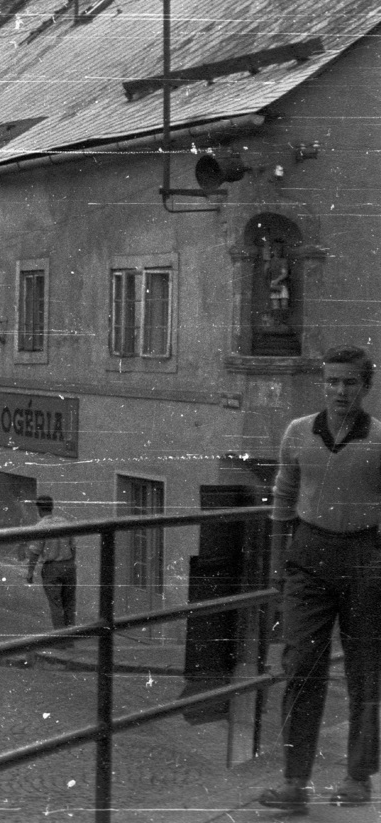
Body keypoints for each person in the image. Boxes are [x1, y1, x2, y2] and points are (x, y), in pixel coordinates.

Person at [258, 345, 381, 812]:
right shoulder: (297, 433)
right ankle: (294, 784)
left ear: (365, 387)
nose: (339, 391)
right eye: (332, 381)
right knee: (300, 668)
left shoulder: (379, 440)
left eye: (350, 382)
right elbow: (283, 498)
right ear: (322, 385)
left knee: (366, 675)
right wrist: (277, 569)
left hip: (365, 562)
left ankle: (357, 777)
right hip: (307, 559)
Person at [24, 495, 76, 628]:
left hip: (52, 568)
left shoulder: (40, 527)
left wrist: (30, 572)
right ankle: (70, 638)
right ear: (52, 507)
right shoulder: (64, 522)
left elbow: (35, 552)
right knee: (69, 604)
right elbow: (73, 547)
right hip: (68, 565)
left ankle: (60, 640)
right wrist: (71, 563)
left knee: (56, 604)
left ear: (39, 509)